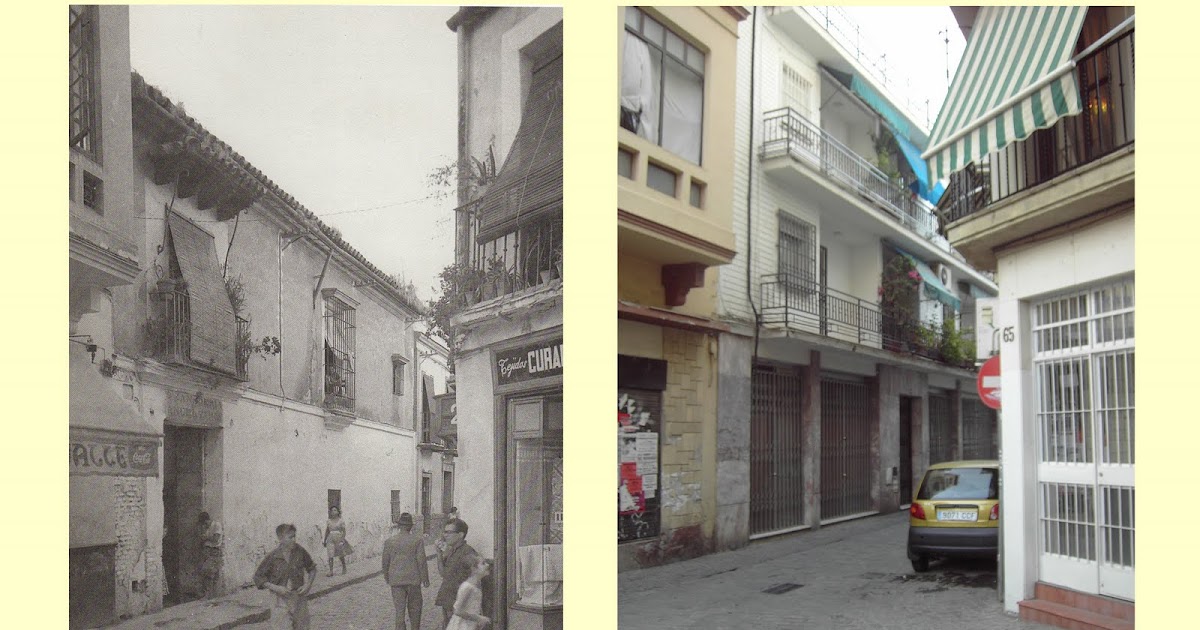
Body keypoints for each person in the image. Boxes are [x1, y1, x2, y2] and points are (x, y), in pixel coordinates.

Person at [253, 523, 317, 630]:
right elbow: (258, 577)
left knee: (303, 627)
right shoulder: (273, 556)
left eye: (294, 536)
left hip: (298, 597)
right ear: (280, 538)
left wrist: (308, 585)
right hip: (279, 599)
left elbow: (312, 568)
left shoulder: (300, 551)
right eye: (290, 537)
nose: (294, 540)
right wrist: (276, 588)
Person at [382, 512, 429, 630]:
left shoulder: (389, 541)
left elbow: (385, 562)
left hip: (396, 580)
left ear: (399, 526)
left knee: (399, 611)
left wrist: (387, 576)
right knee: (415, 609)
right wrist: (425, 578)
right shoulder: (417, 540)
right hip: (413, 580)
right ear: (411, 526)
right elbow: (421, 561)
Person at [435, 518, 479, 626]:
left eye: (449, 532)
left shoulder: (467, 552)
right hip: (449, 602)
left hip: (459, 605)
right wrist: (439, 554)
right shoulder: (452, 551)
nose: (445, 535)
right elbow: (444, 574)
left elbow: (477, 578)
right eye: (444, 532)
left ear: (460, 535)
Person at [445, 557, 493, 630]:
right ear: (474, 569)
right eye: (483, 563)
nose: (487, 565)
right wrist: (479, 618)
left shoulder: (477, 584)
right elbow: (457, 611)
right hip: (462, 626)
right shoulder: (467, 587)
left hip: (471, 624)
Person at [197, 511, 224, 598]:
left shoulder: (216, 525)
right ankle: (210, 595)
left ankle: (211, 595)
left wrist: (206, 538)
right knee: (207, 572)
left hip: (214, 551)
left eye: (205, 523)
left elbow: (216, 539)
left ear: (208, 520)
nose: (204, 525)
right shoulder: (206, 528)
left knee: (209, 571)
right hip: (207, 551)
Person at [322, 506, 353, 576]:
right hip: (330, 538)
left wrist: (342, 540)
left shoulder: (341, 521)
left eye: (335, 510)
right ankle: (331, 571)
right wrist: (324, 540)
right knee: (330, 554)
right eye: (332, 510)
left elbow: (344, 531)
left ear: (338, 512)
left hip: (338, 538)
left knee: (340, 554)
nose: (333, 512)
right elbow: (327, 531)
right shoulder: (329, 521)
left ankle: (344, 567)